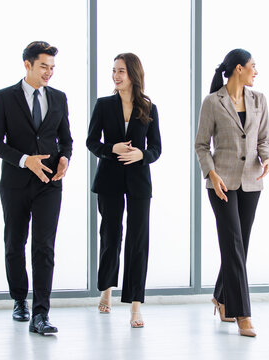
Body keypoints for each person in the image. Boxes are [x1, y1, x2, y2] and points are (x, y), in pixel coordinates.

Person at [0, 41, 73, 335]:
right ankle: (19, 300)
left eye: (52, 67)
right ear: (27, 65)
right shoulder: (3, 98)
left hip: (49, 184)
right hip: (14, 184)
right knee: (14, 243)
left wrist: (64, 159)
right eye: (43, 66)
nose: (49, 72)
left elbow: (66, 140)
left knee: (44, 247)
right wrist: (25, 161)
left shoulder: (59, 98)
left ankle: (41, 314)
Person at [195, 49, 269, 337]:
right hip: (221, 183)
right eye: (253, 66)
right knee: (232, 244)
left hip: (252, 181)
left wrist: (268, 159)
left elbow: (264, 139)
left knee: (240, 245)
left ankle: (222, 297)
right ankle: (243, 314)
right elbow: (201, 145)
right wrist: (211, 174)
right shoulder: (213, 102)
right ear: (238, 68)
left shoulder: (259, 100)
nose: (256, 71)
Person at [86, 53, 161, 328]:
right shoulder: (104, 105)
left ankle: (135, 306)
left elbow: (156, 148)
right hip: (109, 180)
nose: (116, 75)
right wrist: (111, 149)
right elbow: (91, 141)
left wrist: (141, 155)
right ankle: (106, 288)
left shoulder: (148, 108)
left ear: (133, 74)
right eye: (114, 70)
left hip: (139, 181)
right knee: (111, 235)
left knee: (138, 241)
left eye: (121, 71)